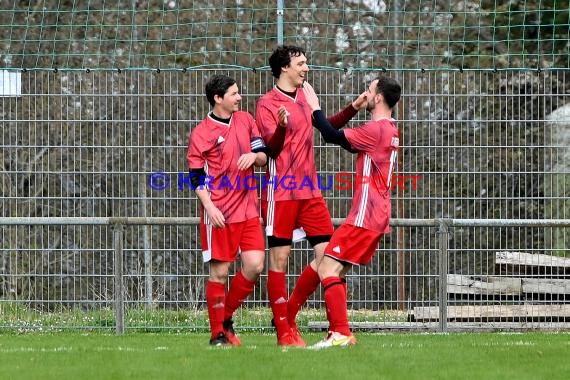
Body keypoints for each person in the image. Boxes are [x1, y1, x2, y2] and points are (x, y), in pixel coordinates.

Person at [255, 45, 367, 346]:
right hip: (282, 193)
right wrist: (279, 128)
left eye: (306, 62)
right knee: (279, 260)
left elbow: (326, 128)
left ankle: (331, 328)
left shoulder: (306, 96)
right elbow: (272, 150)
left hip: (311, 192)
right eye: (301, 63)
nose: (306, 68)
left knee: (328, 257)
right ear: (284, 68)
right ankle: (283, 333)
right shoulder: (266, 103)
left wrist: (353, 108)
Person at [302, 76, 402, 348]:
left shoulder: (377, 130)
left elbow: (331, 135)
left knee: (327, 268)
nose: (365, 93)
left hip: (365, 216)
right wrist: (354, 107)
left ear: (378, 97)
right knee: (334, 269)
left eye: (369, 90)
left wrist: (314, 107)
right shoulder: (391, 128)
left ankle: (341, 333)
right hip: (375, 215)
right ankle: (338, 333)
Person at [186, 74, 272, 346]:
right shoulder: (202, 133)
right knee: (219, 274)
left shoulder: (246, 120)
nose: (239, 97)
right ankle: (217, 335)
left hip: (248, 210)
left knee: (255, 265)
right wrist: (209, 207)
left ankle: (225, 317)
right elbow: (196, 177)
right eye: (234, 94)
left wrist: (254, 156)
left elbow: (264, 156)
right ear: (218, 99)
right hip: (220, 213)